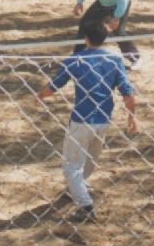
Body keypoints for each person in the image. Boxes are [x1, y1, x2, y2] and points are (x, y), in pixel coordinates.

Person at [37, 21, 137, 223]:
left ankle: (85, 205)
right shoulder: (115, 60)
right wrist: (131, 116)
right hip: (104, 118)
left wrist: (40, 96)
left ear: (85, 39)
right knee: (90, 160)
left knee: (71, 166)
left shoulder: (76, 60)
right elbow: (127, 91)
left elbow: (54, 85)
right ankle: (76, 188)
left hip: (82, 119)